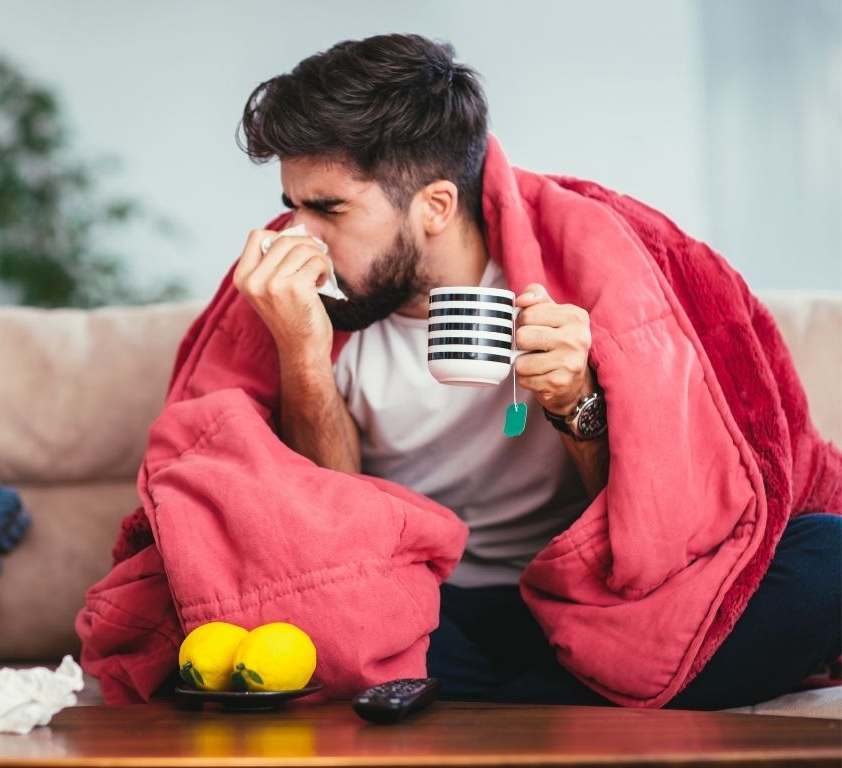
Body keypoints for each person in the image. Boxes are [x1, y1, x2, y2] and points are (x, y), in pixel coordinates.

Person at [228, 33, 841, 709]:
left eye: (328, 209)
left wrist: (577, 400)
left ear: (433, 206)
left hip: (593, 600)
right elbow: (327, 537)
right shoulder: (311, 312)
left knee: (829, 554)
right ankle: (566, 710)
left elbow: (656, 528)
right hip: (428, 611)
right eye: (293, 205)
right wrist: (303, 352)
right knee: (315, 618)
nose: (297, 236)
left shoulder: (575, 271)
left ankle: (499, 713)